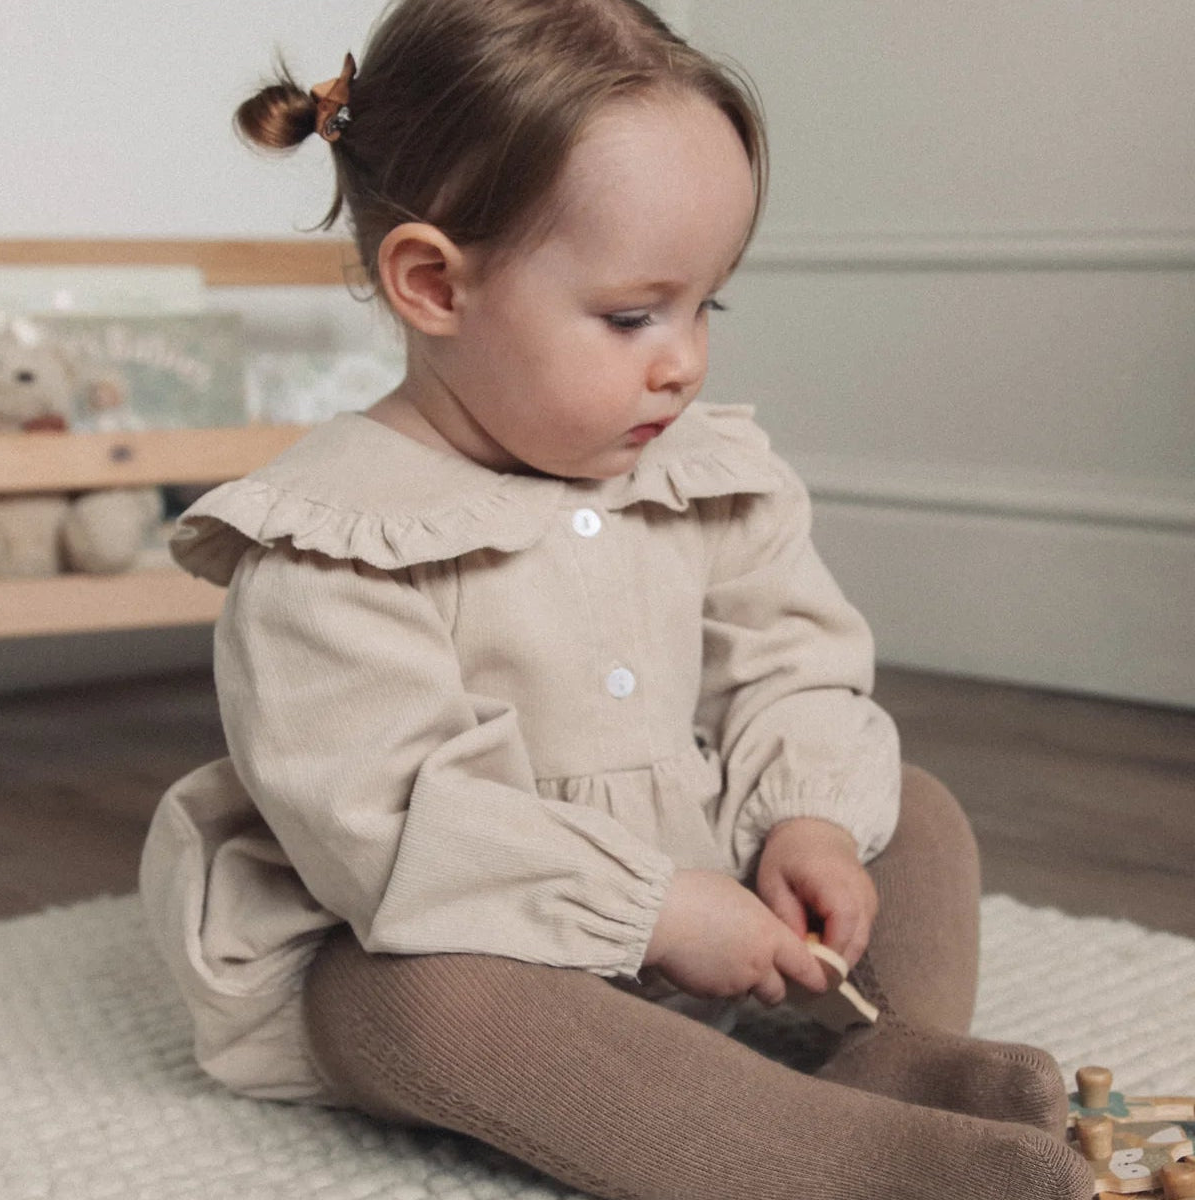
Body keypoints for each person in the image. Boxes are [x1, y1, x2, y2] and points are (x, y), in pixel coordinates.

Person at [141, 2, 1092, 1198]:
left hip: (696, 875)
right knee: (436, 1004)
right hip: (442, 923)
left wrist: (809, 825)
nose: (684, 358)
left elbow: (791, 664)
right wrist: (646, 912)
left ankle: (894, 1061)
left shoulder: (706, 476)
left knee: (916, 809)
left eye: (709, 306)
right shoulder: (334, 547)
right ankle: (810, 1157)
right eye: (634, 315)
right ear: (434, 283)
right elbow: (394, 825)